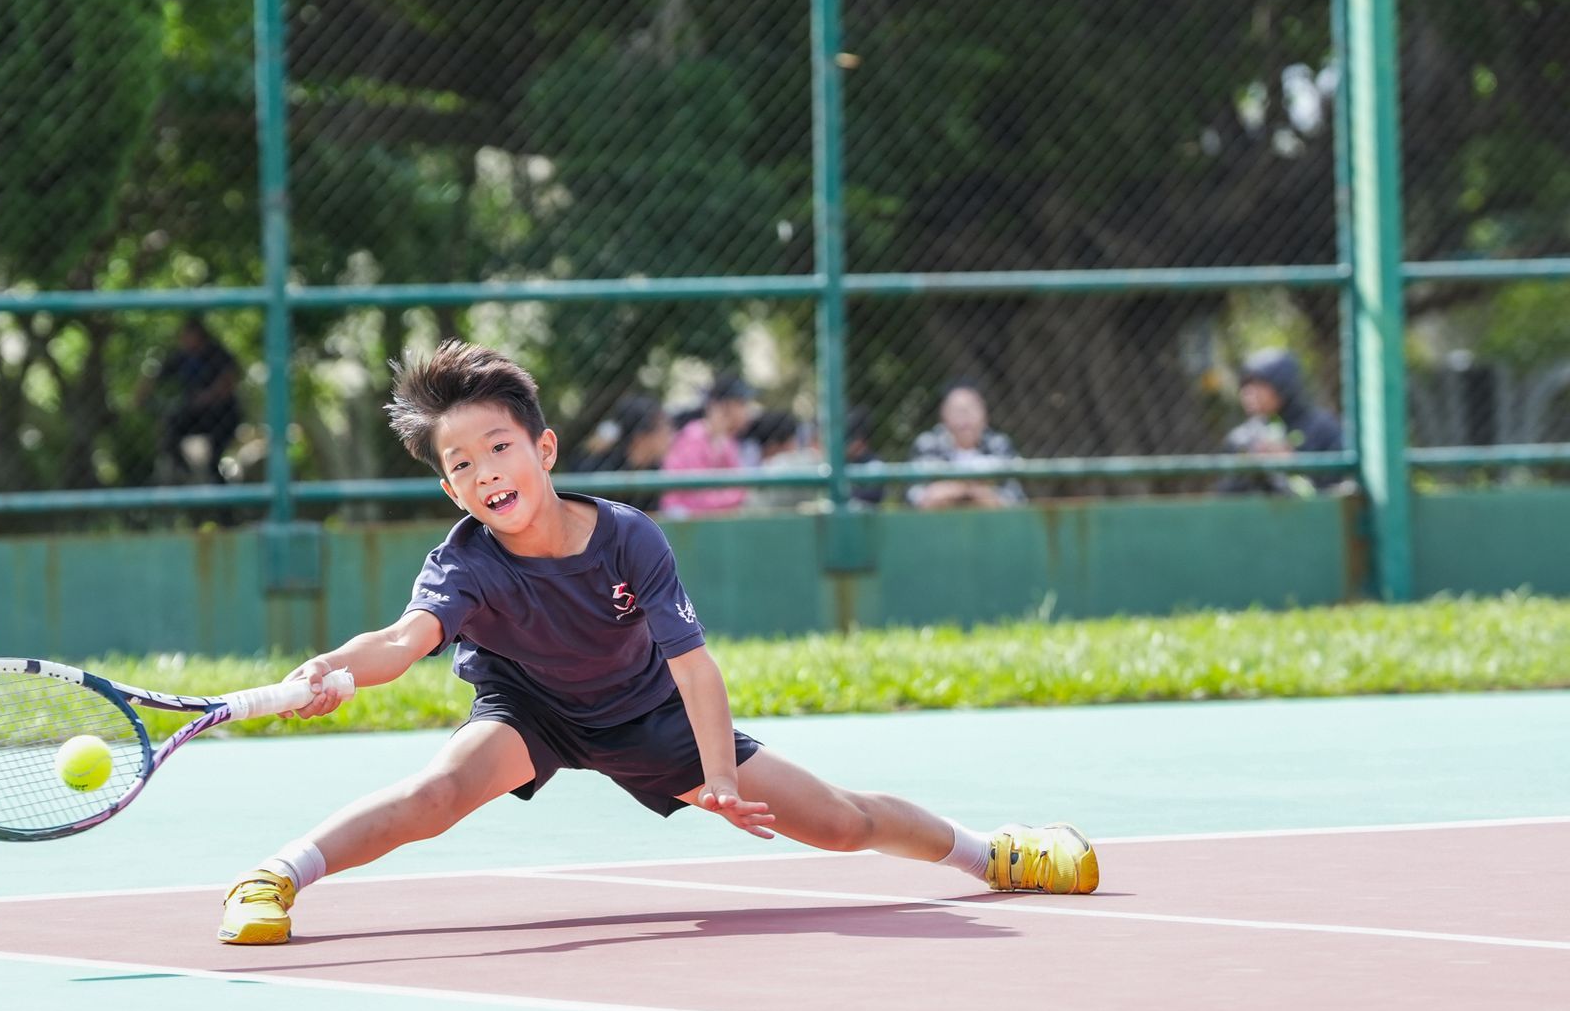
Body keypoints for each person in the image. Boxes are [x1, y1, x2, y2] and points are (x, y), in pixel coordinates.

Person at [216, 340, 1099, 946]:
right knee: (438, 792)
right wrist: (331, 669)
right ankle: (274, 877)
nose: (485, 472)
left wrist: (720, 777)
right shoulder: (466, 564)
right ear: (451, 489)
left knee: (841, 822)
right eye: (462, 465)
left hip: (648, 715)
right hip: (533, 712)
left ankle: (995, 852)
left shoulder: (629, 538)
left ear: (544, 449)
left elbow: (693, 667)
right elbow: (402, 641)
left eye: (499, 446)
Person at [1217, 348, 1345, 496]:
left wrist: (1294, 463)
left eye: (1258, 384)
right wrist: (1252, 468)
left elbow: (1339, 483)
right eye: (1245, 385)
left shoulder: (1322, 428)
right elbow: (1226, 496)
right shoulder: (1242, 437)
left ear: (1283, 385)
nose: (1248, 393)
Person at [137, 316, 243, 484]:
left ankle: (218, 486)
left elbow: (230, 377)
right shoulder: (181, 357)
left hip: (222, 413)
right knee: (169, 431)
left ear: (198, 335)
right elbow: (156, 376)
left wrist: (209, 395)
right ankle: (184, 472)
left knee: (215, 459)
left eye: (187, 336)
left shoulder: (216, 353)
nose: (183, 340)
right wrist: (143, 392)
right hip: (194, 413)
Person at [908, 383, 1025, 510]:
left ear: (985, 415)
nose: (965, 417)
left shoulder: (998, 444)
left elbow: (1015, 500)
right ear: (943, 416)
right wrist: (973, 488)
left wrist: (953, 489)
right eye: (957, 410)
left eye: (971, 409)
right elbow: (916, 498)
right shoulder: (928, 443)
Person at [658, 373, 755, 518]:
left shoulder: (726, 441)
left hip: (712, 517)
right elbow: (696, 500)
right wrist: (734, 498)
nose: (747, 411)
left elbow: (740, 487)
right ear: (724, 406)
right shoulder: (693, 437)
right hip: (683, 520)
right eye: (742, 404)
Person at [571, 395, 675, 511]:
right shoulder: (603, 468)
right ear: (641, 437)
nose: (669, 435)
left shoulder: (654, 469)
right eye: (663, 428)